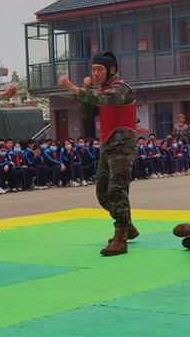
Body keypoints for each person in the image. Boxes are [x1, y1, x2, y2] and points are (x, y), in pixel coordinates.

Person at [59, 50, 138, 256]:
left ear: (112, 70)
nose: (95, 73)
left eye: (99, 69)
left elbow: (104, 100)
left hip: (123, 145)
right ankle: (127, 225)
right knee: (103, 193)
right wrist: (85, 89)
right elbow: (87, 113)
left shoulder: (121, 88)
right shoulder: (100, 90)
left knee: (116, 189)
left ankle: (121, 236)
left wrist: (75, 89)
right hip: (107, 145)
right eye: (92, 69)